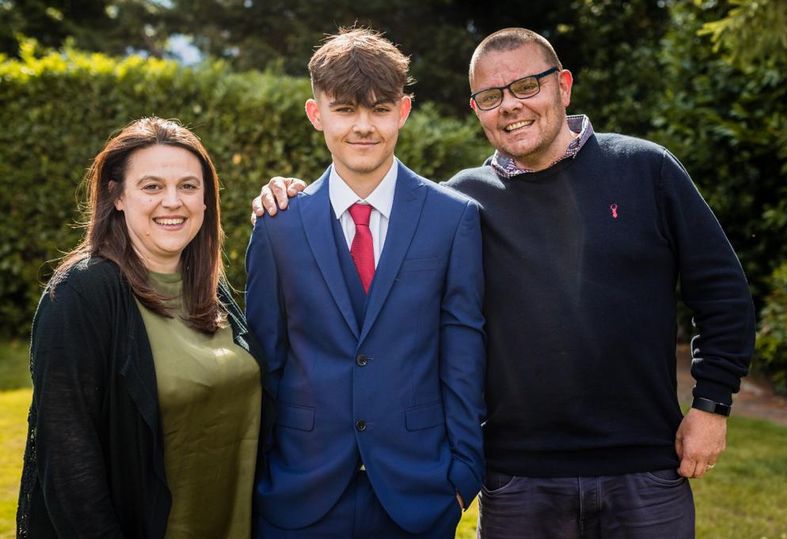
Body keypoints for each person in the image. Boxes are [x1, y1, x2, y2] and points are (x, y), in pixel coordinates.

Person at [254, 27, 756, 538]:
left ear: (563, 85)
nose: (511, 106)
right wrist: (291, 195)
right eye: (492, 96)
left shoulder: (644, 168)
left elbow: (721, 292)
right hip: (520, 478)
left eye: (526, 86)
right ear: (477, 109)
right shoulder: (466, 203)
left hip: (646, 465)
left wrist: (711, 406)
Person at [245, 28, 486, 538]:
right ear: (317, 115)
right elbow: (267, 357)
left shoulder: (453, 219)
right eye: (345, 109)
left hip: (419, 491)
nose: (363, 126)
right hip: (298, 491)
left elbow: (462, 352)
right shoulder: (278, 226)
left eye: (379, 109)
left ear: (403, 111)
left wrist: (464, 473)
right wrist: (262, 475)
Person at [17, 117, 274, 538]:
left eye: (188, 186)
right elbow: (67, 463)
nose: (173, 201)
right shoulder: (83, 293)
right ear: (116, 197)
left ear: (206, 199)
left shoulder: (211, 289)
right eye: (152, 186)